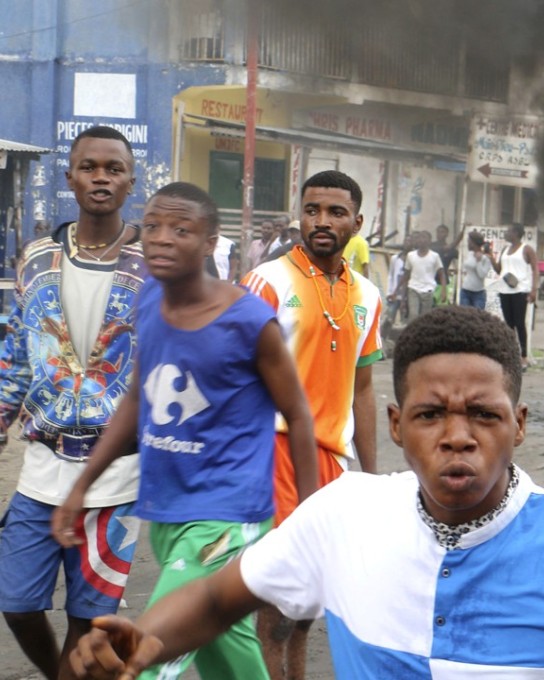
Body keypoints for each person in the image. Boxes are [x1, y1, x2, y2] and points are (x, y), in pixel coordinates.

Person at [67, 305, 544, 680]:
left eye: (483, 414)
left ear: (520, 425)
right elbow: (221, 597)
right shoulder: (344, 516)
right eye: (430, 414)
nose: (457, 435)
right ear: (396, 424)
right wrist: (149, 639)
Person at [51, 181, 318, 680]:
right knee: (227, 652)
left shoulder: (248, 321)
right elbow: (137, 396)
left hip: (226, 517)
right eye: (152, 226)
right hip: (169, 511)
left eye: (180, 229)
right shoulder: (149, 299)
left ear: (211, 242)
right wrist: (82, 484)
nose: (162, 238)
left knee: (146, 653)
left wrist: (308, 519)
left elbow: (299, 416)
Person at [0, 125, 147, 680]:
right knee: (16, 602)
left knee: (91, 623)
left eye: (113, 168)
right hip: (42, 467)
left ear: (130, 181)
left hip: (116, 475)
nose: (101, 177)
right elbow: (16, 353)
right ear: (71, 178)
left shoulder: (152, 263)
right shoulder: (37, 258)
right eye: (90, 167)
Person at [242, 170, 384, 680]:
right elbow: (234, 372)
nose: (321, 222)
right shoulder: (268, 282)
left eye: (336, 212)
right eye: (312, 210)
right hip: (273, 453)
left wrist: (370, 478)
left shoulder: (368, 294)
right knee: (278, 603)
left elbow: (362, 390)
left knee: (307, 610)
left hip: (333, 467)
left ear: (358, 222)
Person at [489, 222, 539, 368]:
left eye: (508, 231)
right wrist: (491, 257)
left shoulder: (526, 249)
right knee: (509, 324)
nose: (506, 233)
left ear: (516, 233)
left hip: (520, 290)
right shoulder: (505, 249)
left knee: (519, 323)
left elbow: (536, 269)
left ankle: (524, 356)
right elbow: (499, 270)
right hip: (505, 290)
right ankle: (511, 354)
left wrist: (534, 289)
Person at [400, 230, 446, 321]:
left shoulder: (434, 256)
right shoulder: (410, 256)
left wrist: (443, 291)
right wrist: (402, 298)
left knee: (425, 318)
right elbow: (406, 276)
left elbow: (442, 274)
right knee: (413, 316)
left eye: (424, 237)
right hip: (413, 289)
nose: (422, 240)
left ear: (429, 241)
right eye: (419, 237)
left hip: (428, 290)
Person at [459, 230, 492, 310]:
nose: (468, 244)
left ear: (474, 243)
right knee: (464, 316)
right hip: (465, 291)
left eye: (469, 242)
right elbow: (466, 267)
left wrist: (478, 262)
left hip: (478, 293)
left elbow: (482, 275)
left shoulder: (485, 258)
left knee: (477, 318)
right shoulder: (470, 254)